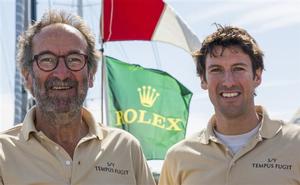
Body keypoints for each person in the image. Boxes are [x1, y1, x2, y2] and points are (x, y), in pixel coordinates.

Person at [0, 10, 155, 185]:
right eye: (47, 60)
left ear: (91, 75)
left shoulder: (125, 149)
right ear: (27, 76)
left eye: (74, 59)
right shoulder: (3, 154)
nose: (62, 73)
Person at [159, 25, 300, 185]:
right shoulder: (178, 158)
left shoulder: (296, 144)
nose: (228, 82)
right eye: (216, 70)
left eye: (238, 68)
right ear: (203, 80)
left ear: (257, 76)